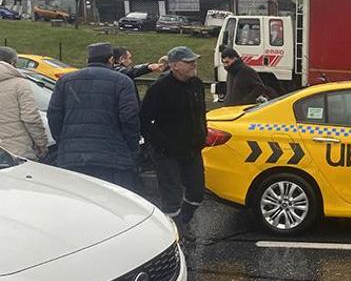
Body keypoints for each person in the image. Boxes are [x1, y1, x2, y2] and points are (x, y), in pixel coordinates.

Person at [47, 42, 140, 190]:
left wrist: (64, 141)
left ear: (87, 60)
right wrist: (131, 147)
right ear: (110, 60)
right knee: (113, 203)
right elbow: (130, 118)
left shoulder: (65, 81)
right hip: (112, 155)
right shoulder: (122, 82)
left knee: (80, 201)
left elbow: (54, 115)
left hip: (73, 155)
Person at [140, 46, 207, 232]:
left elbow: (201, 114)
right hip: (167, 152)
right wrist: (162, 144)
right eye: (189, 62)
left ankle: (183, 221)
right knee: (172, 195)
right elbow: (144, 121)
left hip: (192, 149)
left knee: (197, 193)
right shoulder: (160, 89)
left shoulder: (197, 85)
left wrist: (203, 135)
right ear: (175, 66)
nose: (194, 64)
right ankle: (173, 231)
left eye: (194, 60)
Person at [0, 47, 48, 160]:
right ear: (13, 63)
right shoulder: (20, 84)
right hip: (16, 151)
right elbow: (30, 117)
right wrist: (41, 143)